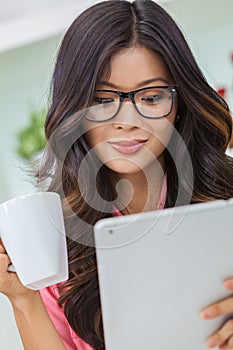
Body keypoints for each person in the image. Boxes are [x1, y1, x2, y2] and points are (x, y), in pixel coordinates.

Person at [1, 0, 233, 349]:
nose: (128, 120)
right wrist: (23, 299)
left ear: (181, 102)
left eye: (152, 97)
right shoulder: (57, 239)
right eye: (103, 100)